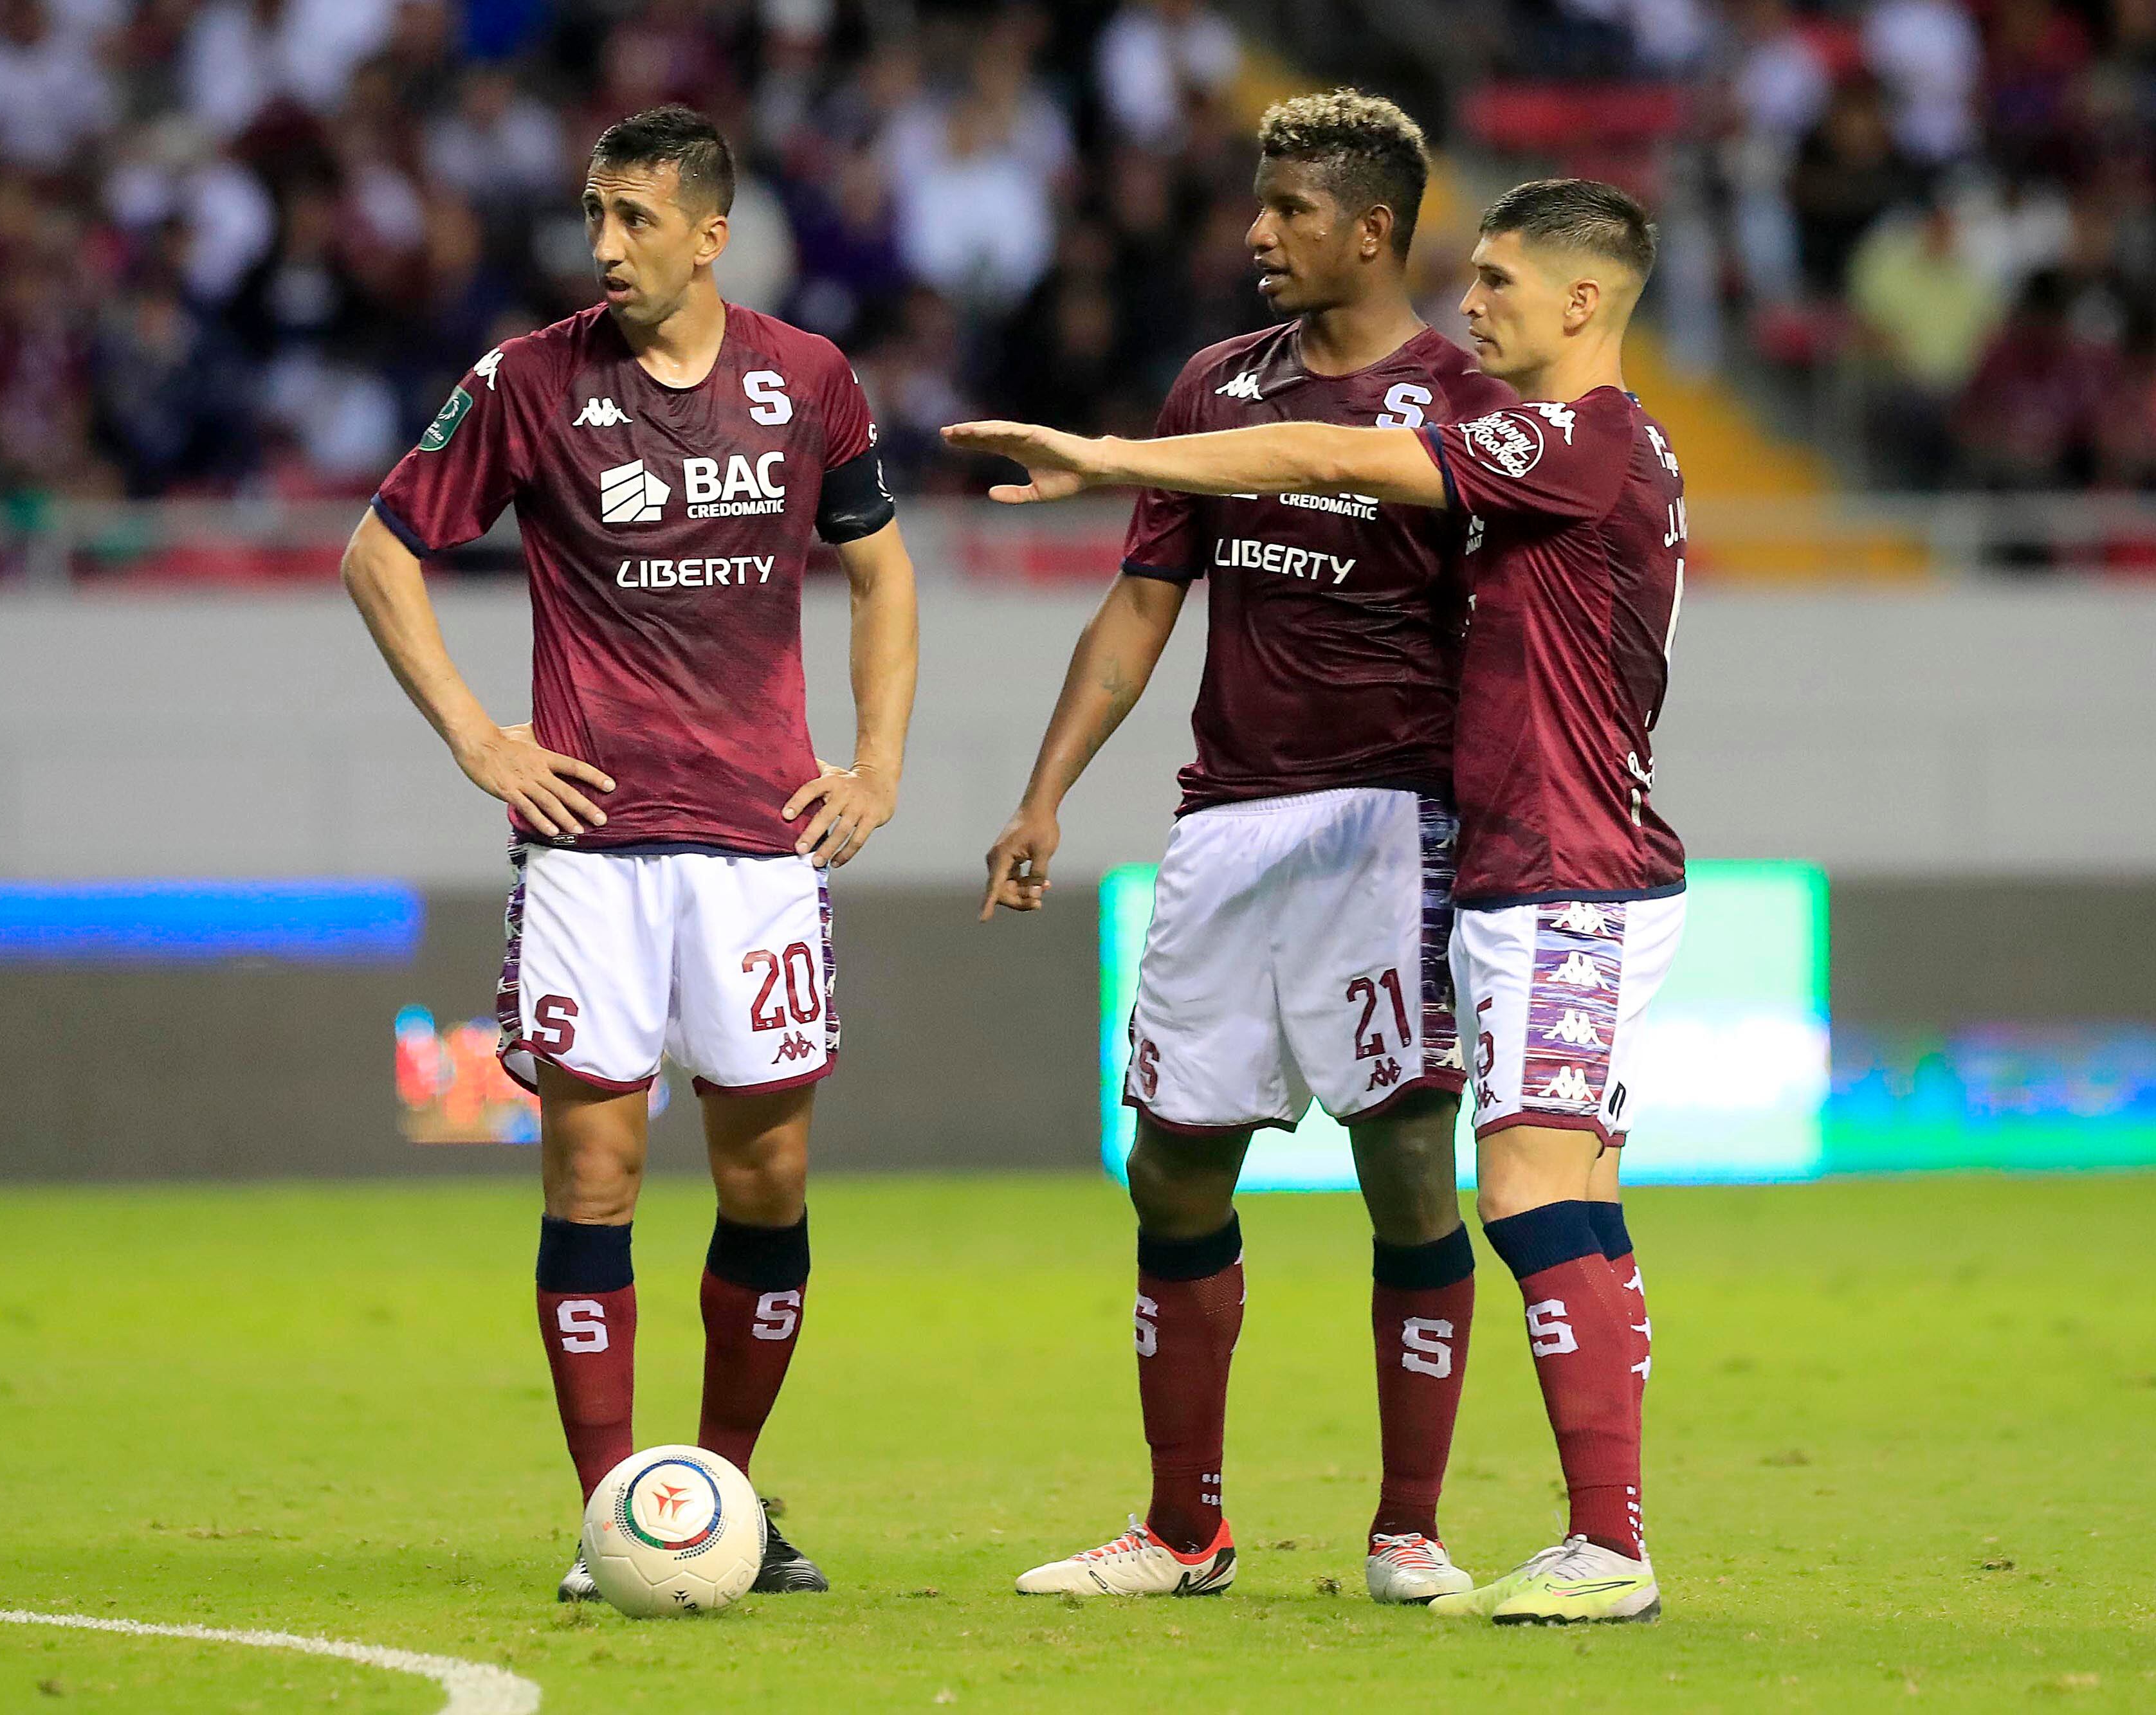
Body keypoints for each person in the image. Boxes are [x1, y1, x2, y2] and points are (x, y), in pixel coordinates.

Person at [947, 176, 1686, 1626]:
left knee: (1524, 1186)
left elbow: (1338, 456)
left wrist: (1114, 454)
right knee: (1572, 1196)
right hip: (1523, 864)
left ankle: (1601, 1543)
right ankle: (1590, 1530)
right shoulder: (1567, 443)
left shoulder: (1576, 443)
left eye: (1496, 282)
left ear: (1581, 302)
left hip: (1567, 865)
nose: (1469, 307)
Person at [341, 105, 918, 1604]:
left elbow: (879, 566)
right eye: (593, 215)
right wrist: (481, 737)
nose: (602, 246)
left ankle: (722, 1491)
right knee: (590, 1178)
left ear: (710, 233)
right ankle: (616, 1513)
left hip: (758, 841)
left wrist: (877, 764)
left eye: (634, 220)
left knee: (769, 1175)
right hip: (589, 844)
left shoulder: (808, 380)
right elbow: (377, 549)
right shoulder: (526, 380)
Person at [980, 91, 1513, 1604]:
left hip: (1393, 825)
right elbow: (1142, 605)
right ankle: (1180, 1525)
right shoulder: (1212, 387)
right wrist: (1044, 793)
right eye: (1255, 204)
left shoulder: (1467, 400)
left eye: (1285, 209)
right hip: (1225, 823)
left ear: (1371, 230)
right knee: (1170, 1168)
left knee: (1406, 1163)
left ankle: (1407, 1526)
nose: (1252, 233)